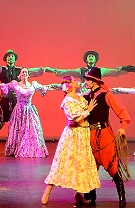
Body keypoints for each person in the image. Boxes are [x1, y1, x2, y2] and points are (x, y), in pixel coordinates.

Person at [42, 76, 100, 206]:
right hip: (73, 134)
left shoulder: (81, 97)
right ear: (69, 85)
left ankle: (78, 194)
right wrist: (88, 110)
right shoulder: (67, 101)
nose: (77, 82)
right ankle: (47, 191)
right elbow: (74, 119)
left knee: (81, 164)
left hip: (84, 134)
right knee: (63, 162)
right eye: (74, 81)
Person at [81, 67, 130, 207]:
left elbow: (121, 110)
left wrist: (123, 127)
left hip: (104, 135)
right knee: (91, 166)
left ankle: (121, 195)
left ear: (95, 82)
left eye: (88, 80)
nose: (86, 82)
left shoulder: (106, 95)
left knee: (112, 166)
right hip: (90, 135)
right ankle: (91, 195)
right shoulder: (87, 97)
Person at [0, 68, 57, 158]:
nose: (24, 73)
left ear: (28, 75)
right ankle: (17, 148)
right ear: (20, 75)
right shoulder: (15, 84)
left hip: (29, 110)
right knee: (18, 130)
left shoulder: (33, 84)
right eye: (22, 72)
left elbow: (45, 87)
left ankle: (31, 148)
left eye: (26, 72)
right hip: (19, 110)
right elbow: (3, 86)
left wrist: (59, 86)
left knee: (31, 130)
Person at [44, 50, 127, 84]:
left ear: (95, 60)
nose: (91, 57)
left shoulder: (100, 70)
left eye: (92, 56)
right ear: (86, 59)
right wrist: (52, 70)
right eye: (89, 56)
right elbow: (67, 72)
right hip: (84, 93)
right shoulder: (81, 70)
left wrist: (125, 69)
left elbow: (114, 72)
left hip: (96, 94)